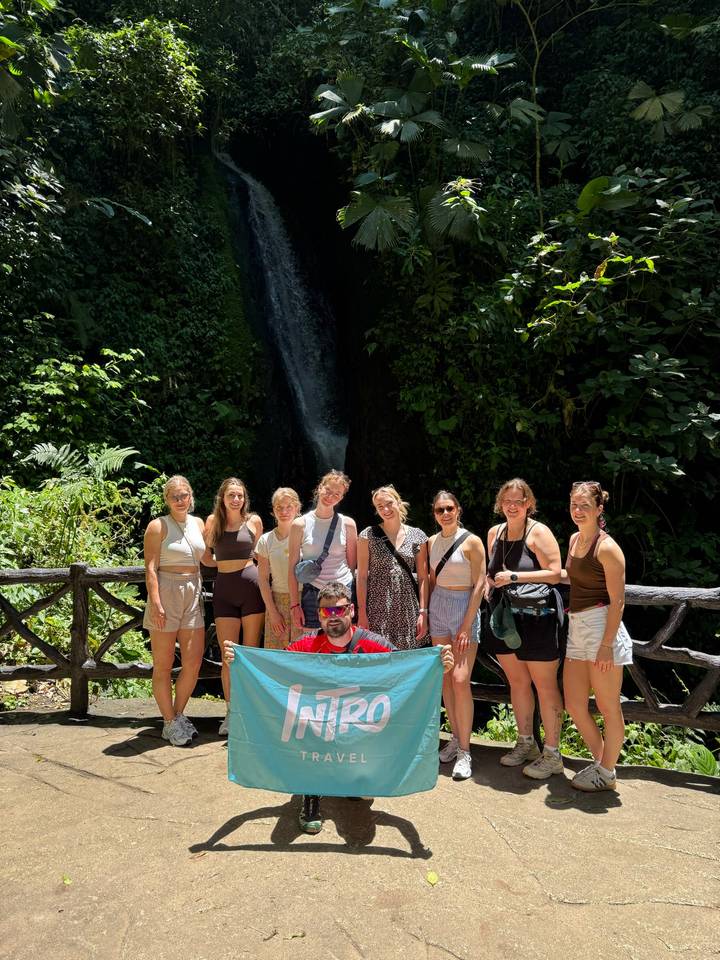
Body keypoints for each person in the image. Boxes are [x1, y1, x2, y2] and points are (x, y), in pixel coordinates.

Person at [223, 580, 455, 834]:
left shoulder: (373, 644)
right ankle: (310, 794)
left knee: (365, 752)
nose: (332, 616)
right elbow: (273, 667)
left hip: (356, 728)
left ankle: (351, 782)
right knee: (304, 733)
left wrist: (437, 663)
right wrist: (240, 659)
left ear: (352, 610)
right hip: (317, 726)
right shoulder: (307, 644)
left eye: (339, 610)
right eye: (326, 611)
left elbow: (406, 667)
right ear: (319, 614)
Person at [486, 479, 565, 779]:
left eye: (519, 500)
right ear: (500, 502)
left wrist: (516, 576)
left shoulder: (539, 532)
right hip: (505, 619)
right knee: (518, 682)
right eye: (507, 500)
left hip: (538, 617)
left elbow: (556, 574)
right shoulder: (495, 533)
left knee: (544, 686)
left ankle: (553, 754)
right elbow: (491, 573)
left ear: (528, 503)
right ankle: (526, 743)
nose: (512, 505)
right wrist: (487, 583)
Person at [561, 481, 632, 792]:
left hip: (603, 628)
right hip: (577, 626)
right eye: (574, 505)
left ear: (599, 508)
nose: (578, 511)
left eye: (585, 506)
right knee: (575, 704)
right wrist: (521, 576)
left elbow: (618, 600)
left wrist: (606, 645)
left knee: (607, 707)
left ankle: (605, 769)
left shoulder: (607, 548)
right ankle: (604, 765)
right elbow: (568, 575)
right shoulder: (575, 539)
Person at [143, 475, 206, 747]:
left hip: (194, 590)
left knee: (193, 662)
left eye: (184, 495)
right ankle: (168, 722)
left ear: (191, 496)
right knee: (164, 664)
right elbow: (150, 568)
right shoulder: (158, 526)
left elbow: (207, 558)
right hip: (167, 591)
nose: (180, 500)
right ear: (167, 500)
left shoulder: (199, 523)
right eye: (174, 496)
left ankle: (178, 715)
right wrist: (155, 601)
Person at [428, 490, 486, 782]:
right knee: (445, 678)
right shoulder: (431, 542)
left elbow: (479, 584)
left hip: (464, 606)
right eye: (440, 510)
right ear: (435, 514)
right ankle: (454, 738)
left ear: (458, 510)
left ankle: (466, 751)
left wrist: (465, 625)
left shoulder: (472, 541)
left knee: (461, 680)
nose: (445, 514)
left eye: (449, 508)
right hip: (439, 606)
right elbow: (431, 579)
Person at [204, 477, 264, 736]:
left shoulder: (253, 521)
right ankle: (230, 712)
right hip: (224, 590)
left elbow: (262, 555)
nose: (236, 499)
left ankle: (248, 712)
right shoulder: (212, 522)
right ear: (223, 497)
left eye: (240, 495)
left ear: (244, 498)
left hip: (251, 589)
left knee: (249, 655)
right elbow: (206, 556)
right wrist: (225, 567)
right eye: (231, 495)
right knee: (228, 657)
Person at [357, 485, 429, 649]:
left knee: (407, 661)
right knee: (379, 658)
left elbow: (423, 578)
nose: (386, 509)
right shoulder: (367, 535)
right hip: (377, 608)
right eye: (380, 506)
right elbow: (361, 577)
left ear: (398, 502)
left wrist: (423, 613)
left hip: (407, 608)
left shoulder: (417, 535)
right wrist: (362, 613)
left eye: (389, 503)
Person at [288, 470, 357, 633]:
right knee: (313, 646)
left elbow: (352, 565)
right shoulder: (299, 524)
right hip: (312, 592)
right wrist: (294, 605)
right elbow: (292, 568)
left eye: (337, 494)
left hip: (342, 591)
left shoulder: (348, 524)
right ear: (320, 488)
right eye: (328, 490)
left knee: (342, 643)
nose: (330, 496)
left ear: (341, 498)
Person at [255, 487, 303, 649]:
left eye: (289, 506)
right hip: (277, 601)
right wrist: (273, 613)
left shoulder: (307, 536)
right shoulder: (265, 540)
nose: (284, 511)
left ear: (297, 508)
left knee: (303, 653)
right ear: (273, 510)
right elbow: (262, 579)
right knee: (277, 656)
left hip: (304, 600)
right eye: (279, 507)